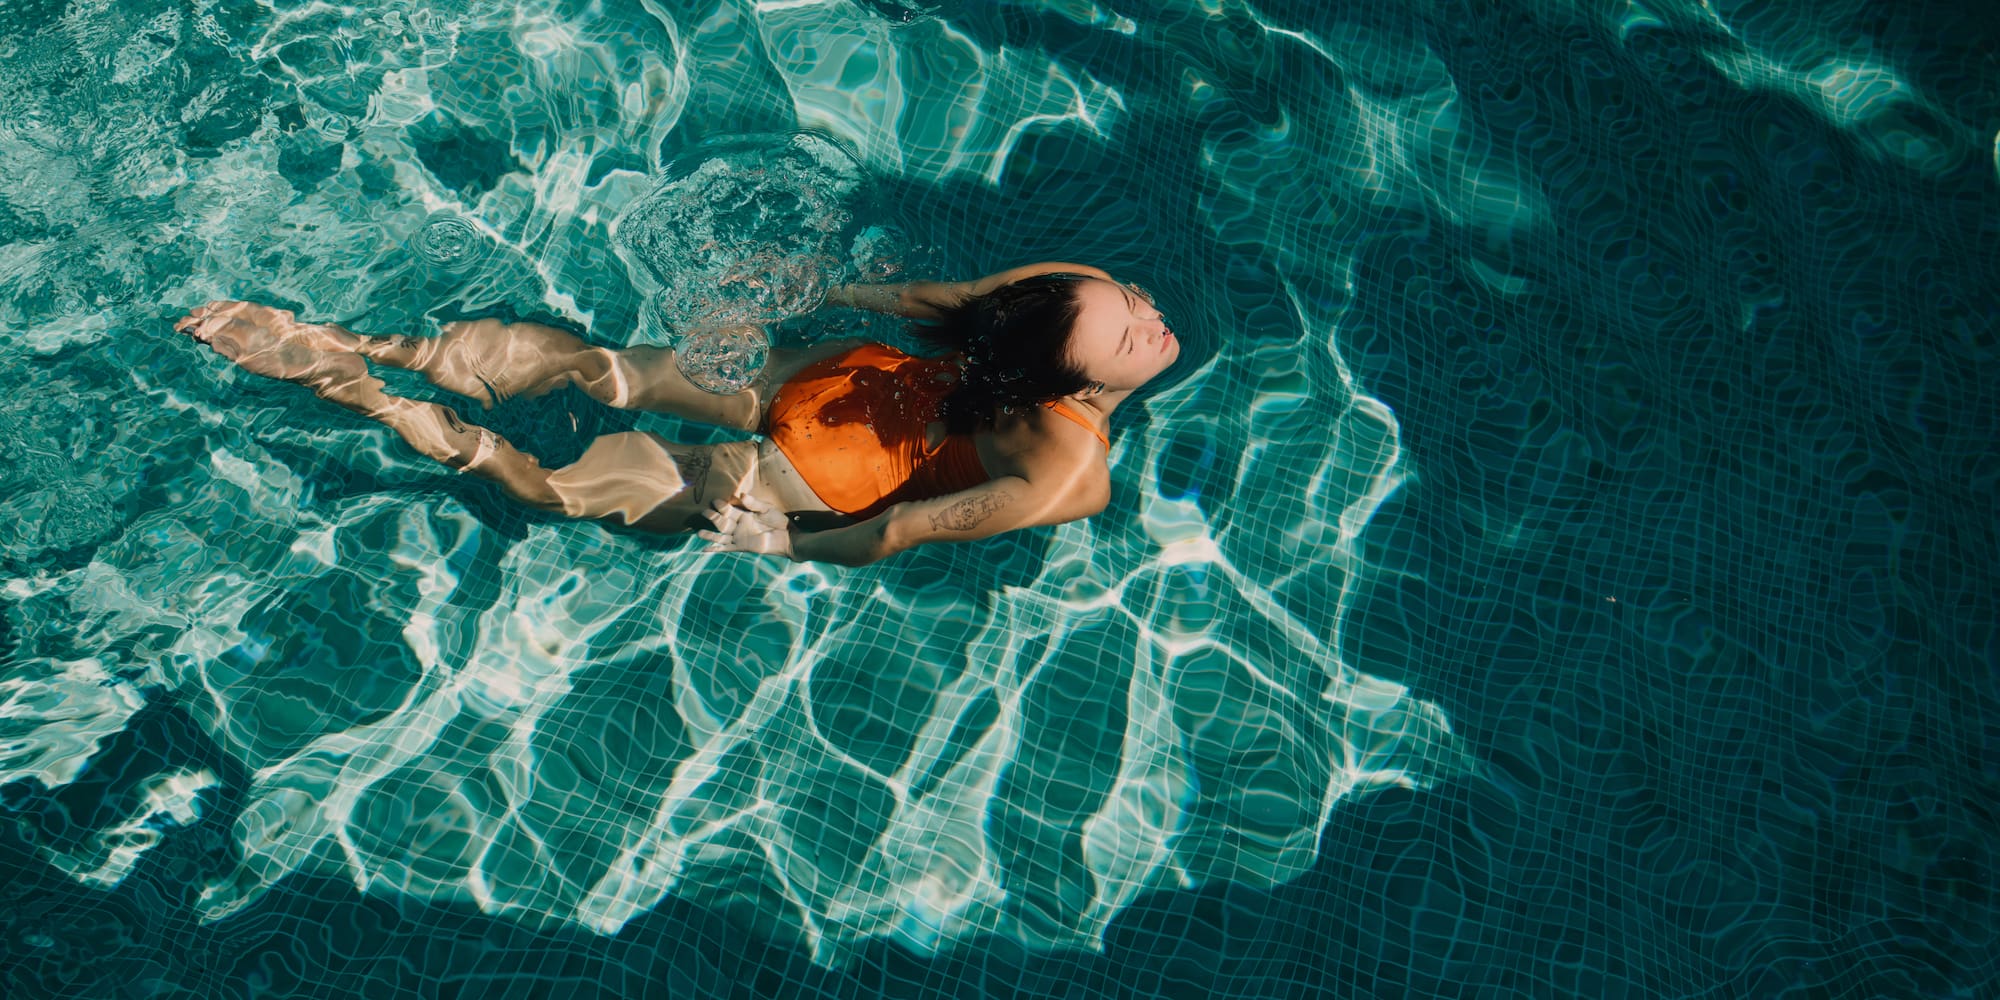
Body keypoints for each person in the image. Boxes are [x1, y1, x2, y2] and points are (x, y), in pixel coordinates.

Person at [173, 263, 1180, 566]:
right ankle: (382, 400)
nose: (1147, 315)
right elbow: (906, 525)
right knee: (562, 491)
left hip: (844, 377)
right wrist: (774, 539)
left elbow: (938, 306)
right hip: (827, 476)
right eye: (1132, 315)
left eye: (1133, 321)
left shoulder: (1069, 287)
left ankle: (355, 346)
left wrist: (822, 291)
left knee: (594, 365)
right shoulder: (1069, 474)